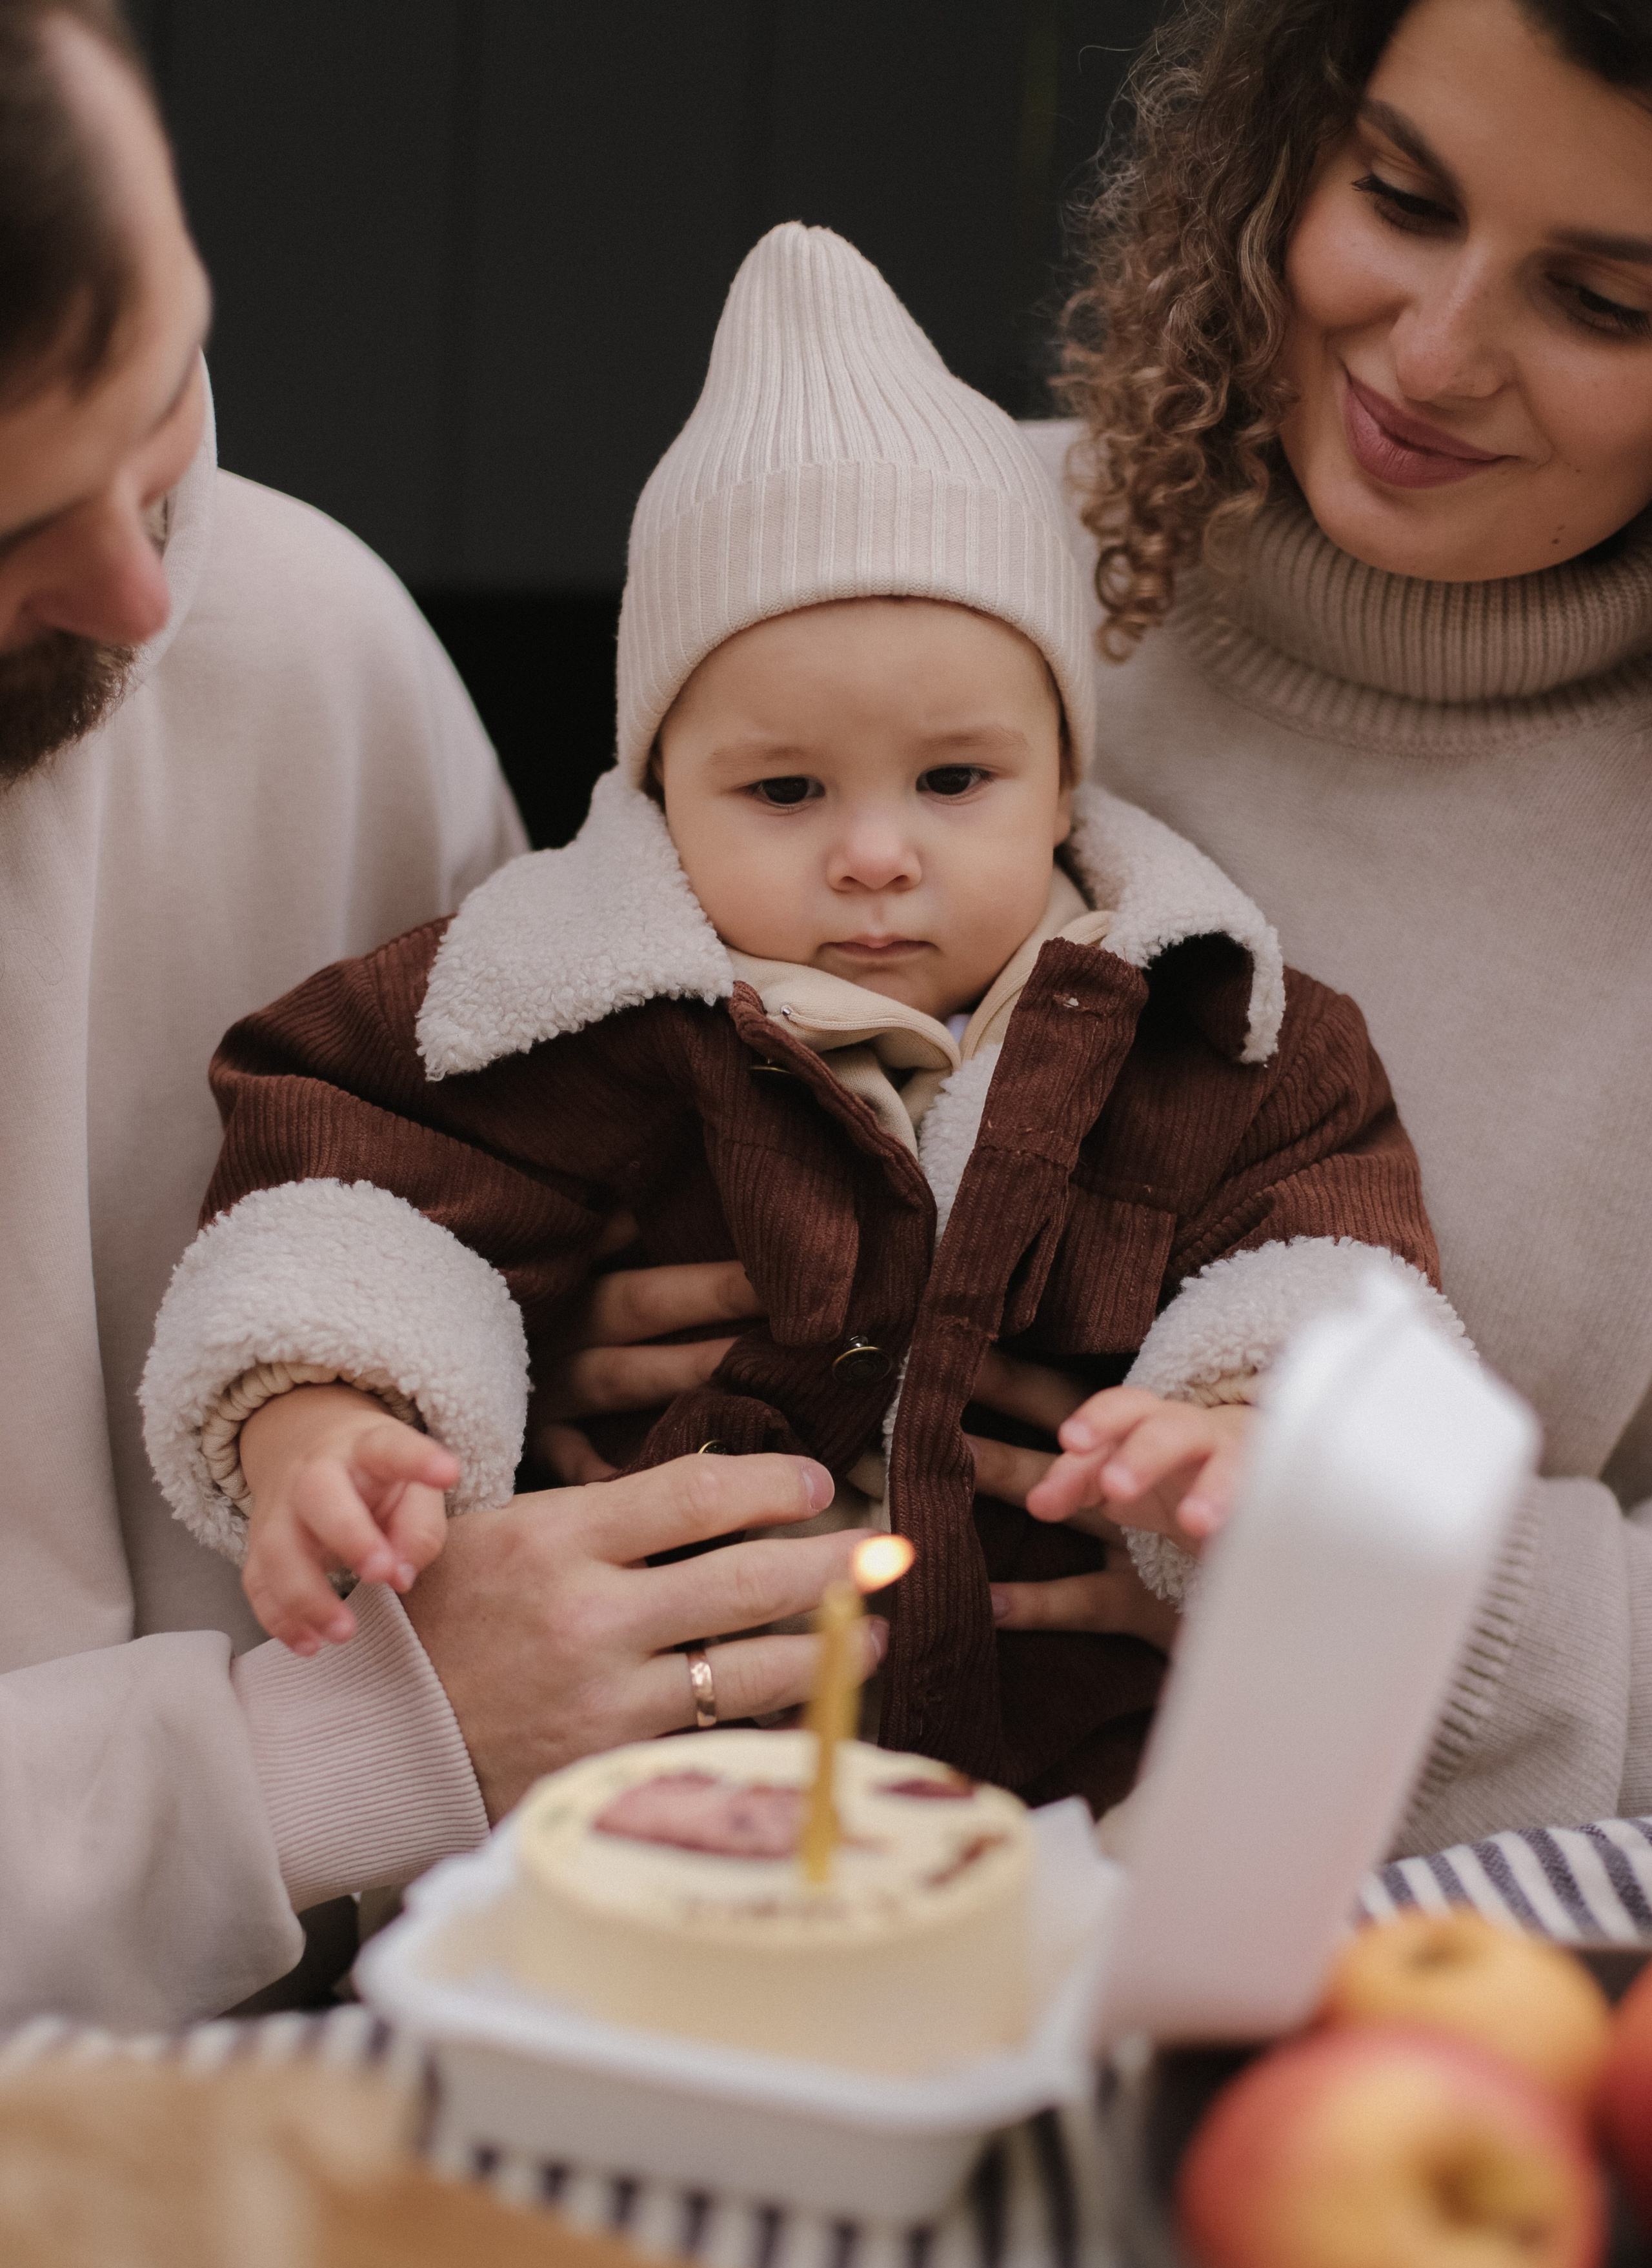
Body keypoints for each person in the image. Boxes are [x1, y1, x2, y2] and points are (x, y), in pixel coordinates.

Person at [143, 225, 1447, 1816]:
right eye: (782, 790)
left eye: (955, 780)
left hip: (1064, 1797)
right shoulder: (571, 1011)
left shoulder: (1204, 1029)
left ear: (1061, 770)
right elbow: (359, 1202)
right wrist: (328, 1412)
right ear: (657, 788)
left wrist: (1251, 1422)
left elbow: (1321, 1249)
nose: (877, 852)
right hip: (657, 1782)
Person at [0, 0, 873, 2035]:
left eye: (166, 411)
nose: (146, 600)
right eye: (16, 528)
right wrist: (316, 1759)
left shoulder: (296, 643)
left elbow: (467, 1192)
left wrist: (535, 1345)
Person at [1009, 0, 1652, 1852]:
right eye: (1399, 196)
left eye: (1603, 303)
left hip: (1357, 2021)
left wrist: (1379, 1605)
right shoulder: (941, 547)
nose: (1436, 354)